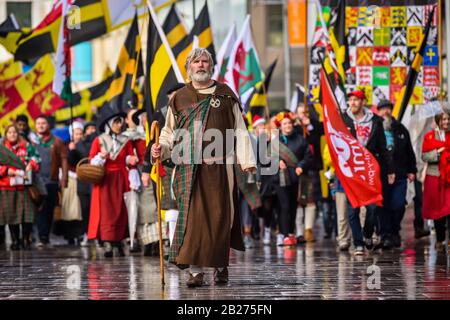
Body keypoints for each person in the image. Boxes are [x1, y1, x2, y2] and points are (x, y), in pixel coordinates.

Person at [150, 48, 256, 287]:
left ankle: (220, 267)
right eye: (196, 61)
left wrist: (247, 159)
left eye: (204, 61)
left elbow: (239, 128)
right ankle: (195, 271)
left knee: (221, 218)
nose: (200, 65)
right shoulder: (179, 97)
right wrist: (160, 149)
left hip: (220, 168)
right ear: (189, 67)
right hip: (188, 168)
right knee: (192, 220)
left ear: (211, 65)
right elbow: (168, 132)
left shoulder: (226, 94)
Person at [342, 90, 394, 255]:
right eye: (350, 99)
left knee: (372, 207)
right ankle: (358, 243)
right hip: (351, 170)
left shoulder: (375, 121)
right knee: (353, 209)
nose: (353, 103)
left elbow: (382, 147)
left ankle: (367, 234)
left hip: (370, 169)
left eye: (356, 100)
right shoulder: (343, 120)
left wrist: (390, 169)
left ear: (363, 101)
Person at [88, 106, 139, 257]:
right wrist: (100, 157)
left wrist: (131, 160)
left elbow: (130, 158)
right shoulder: (100, 140)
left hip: (122, 179)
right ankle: (107, 242)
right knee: (106, 212)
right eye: (116, 122)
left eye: (121, 122)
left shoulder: (126, 140)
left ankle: (119, 240)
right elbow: (91, 160)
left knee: (121, 210)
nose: (119, 125)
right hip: (105, 180)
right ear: (110, 124)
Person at [376, 100, 417, 248]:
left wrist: (412, 170)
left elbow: (409, 151)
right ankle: (386, 235)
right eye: (382, 109)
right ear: (378, 111)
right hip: (381, 175)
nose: (385, 111)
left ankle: (394, 230)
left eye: (388, 108)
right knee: (383, 206)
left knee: (399, 205)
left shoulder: (401, 129)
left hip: (400, 174)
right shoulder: (375, 128)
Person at [273, 112, 313, 246]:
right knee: (284, 206)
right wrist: (277, 161)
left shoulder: (301, 139)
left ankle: (291, 232)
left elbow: (308, 157)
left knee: (292, 206)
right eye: (285, 123)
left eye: (289, 123)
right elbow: (265, 158)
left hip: (295, 177)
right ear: (280, 126)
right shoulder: (275, 141)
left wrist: (301, 166)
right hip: (280, 178)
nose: (288, 126)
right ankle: (284, 235)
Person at [0, 125, 40, 250]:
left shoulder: (27, 146)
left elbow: (36, 158)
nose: (12, 134)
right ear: (6, 134)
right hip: (7, 186)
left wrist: (31, 165)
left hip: (25, 185)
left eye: (14, 132)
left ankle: (26, 239)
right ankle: (15, 240)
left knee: (27, 215)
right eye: (9, 132)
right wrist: (6, 171)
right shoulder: (2, 149)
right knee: (11, 216)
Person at [34, 115, 68, 247]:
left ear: (48, 125)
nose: (41, 126)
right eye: (38, 123)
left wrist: (64, 179)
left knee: (49, 210)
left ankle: (45, 235)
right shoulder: (32, 142)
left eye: (43, 123)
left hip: (52, 181)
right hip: (37, 181)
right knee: (40, 209)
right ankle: (42, 236)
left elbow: (64, 160)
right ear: (35, 126)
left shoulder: (57, 141)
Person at [422, 110, 450, 252]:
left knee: (449, 209)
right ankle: (440, 240)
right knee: (439, 211)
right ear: (438, 120)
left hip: (449, 178)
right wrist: (438, 153)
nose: (446, 122)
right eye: (443, 119)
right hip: (435, 176)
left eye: (448, 119)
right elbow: (425, 156)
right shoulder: (429, 137)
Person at [59, 121, 85, 245]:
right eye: (76, 133)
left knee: (78, 208)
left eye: (81, 133)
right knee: (68, 207)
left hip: (81, 178)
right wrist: (71, 151)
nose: (79, 136)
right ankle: (69, 234)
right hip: (69, 179)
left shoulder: (84, 146)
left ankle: (79, 233)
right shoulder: (65, 146)